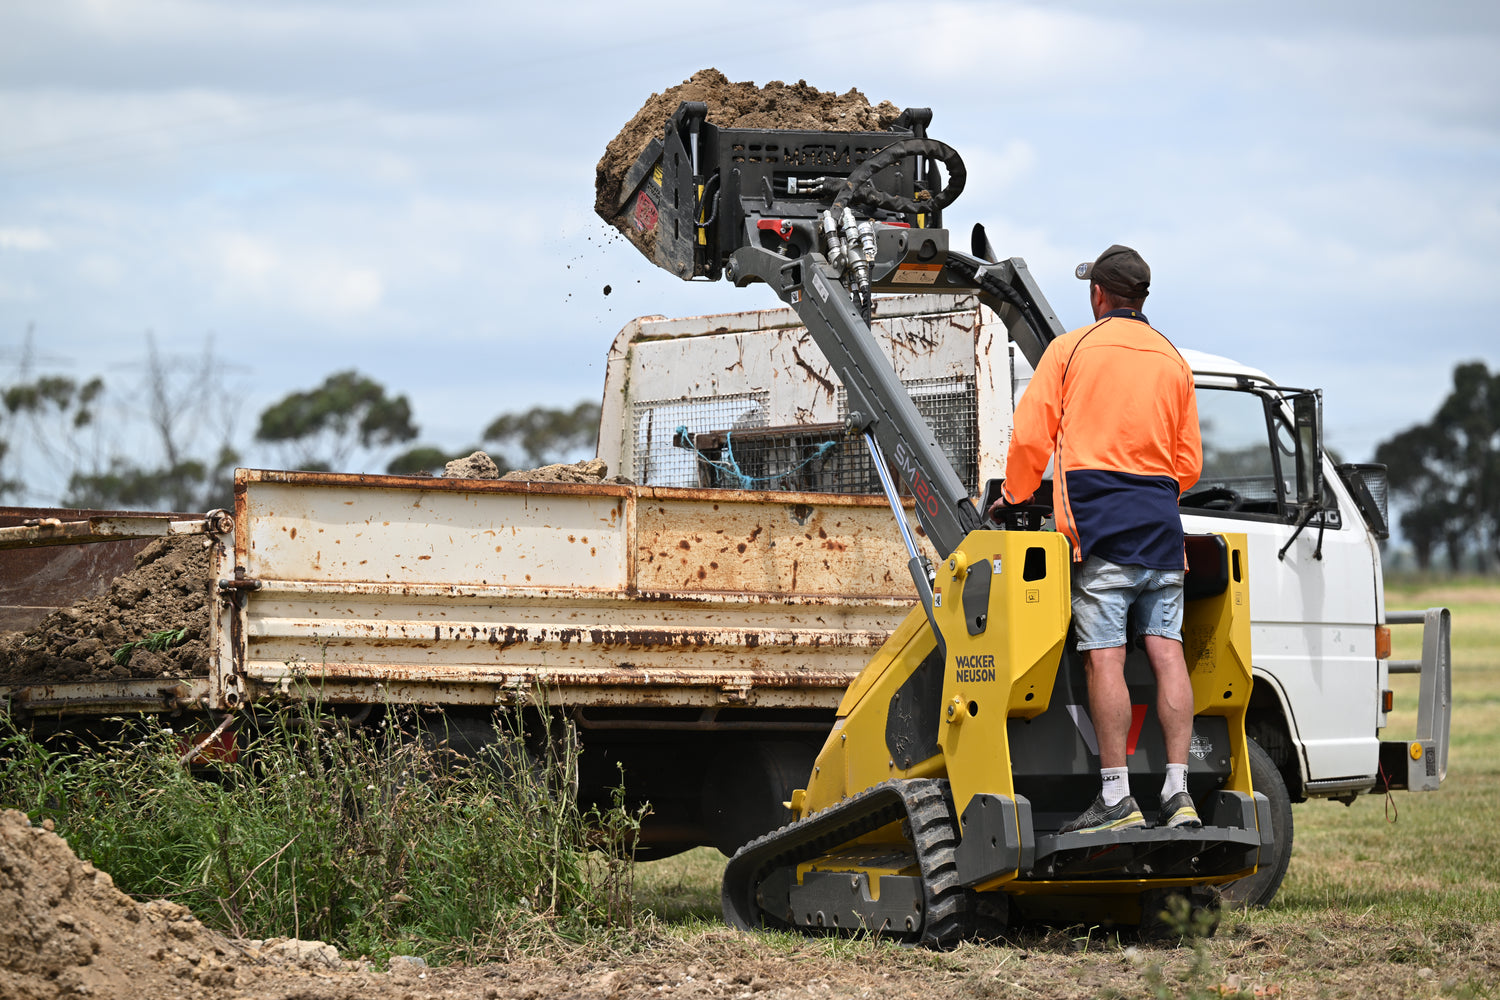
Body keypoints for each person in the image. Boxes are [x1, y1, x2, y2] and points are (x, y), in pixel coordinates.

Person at [990, 244, 1204, 833]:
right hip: (1162, 528)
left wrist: (1012, 496)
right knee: (1167, 651)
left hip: (1100, 526)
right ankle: (1179, 792)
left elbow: (1032, 439)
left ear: (1098, 296)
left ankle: (1115, 797)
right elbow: (1188, 464)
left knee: (1104, 655)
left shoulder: (1070, 350)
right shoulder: (1172, 359)